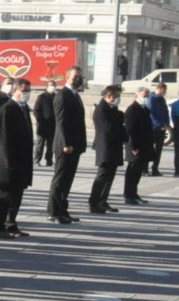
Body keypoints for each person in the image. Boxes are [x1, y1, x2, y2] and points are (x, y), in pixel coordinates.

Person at [0, 79, 34, 238]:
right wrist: (8, 163)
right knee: (4, 195)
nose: (26, 94)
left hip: (22, 160)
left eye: (28, 90)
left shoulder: (24, 108)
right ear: (14, 91)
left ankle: (11, 224)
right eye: (23, 90)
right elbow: (2, 139)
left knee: (17, 195)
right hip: (8, 162)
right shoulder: (6, 110)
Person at [47, 66, 86, 224]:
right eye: (75, 76)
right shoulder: (62, 95)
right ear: (67, 76)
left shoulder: (75, 95)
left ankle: (63, 209)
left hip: (75, 145)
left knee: (68, 179)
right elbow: (61, 121)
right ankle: (53, 211)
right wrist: (66, 143)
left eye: (80, 76)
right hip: (65, 145)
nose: (78, 79)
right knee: (60, 179)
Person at [88, 85, 125, 214]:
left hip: (114, 146)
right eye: (117, 96)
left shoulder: (113, 108)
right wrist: (121, 125)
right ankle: (94, 202)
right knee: (102, 175)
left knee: (110, 176)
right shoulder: (101, 109)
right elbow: (110, 128)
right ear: (109, 96)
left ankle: (103, 200)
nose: (119, 99)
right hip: (106, 147)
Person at [123, 87, 153, 204]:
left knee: (138, 171)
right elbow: (129, 130)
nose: (146, 98)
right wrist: (133, 147)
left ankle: (134, 193)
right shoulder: (132, 109)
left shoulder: (144, 109)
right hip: (135, 146)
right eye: (143, 96)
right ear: (137, 96)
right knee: (132, 170)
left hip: (144, 144)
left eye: (147, 96)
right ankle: (128, 195)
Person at [146, 82, 171, 177]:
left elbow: (166, 112)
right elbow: (151, 114)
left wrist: (166, 124)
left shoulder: (162, 99)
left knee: (159, 149)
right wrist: (160, 124)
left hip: (162, 129)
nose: (164, 92)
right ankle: (145, 169)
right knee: (149, 148)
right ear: (159, 89)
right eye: (163, 90)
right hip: (153, 128)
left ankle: (155, 168)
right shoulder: (151, 99)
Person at [33, 86, 56, 166]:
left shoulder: (56, 97)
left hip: (53, 125)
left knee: (51, 144)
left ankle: (49, 160)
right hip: (42, 124)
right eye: (51, 85)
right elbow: (36, 110)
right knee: (40, 143)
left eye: (53, 85)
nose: (52, 87)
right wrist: (40, 120)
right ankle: (36, 160)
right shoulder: (41, 97)